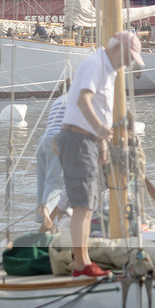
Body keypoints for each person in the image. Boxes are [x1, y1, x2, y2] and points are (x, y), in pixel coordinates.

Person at [55, 30, 145, 278]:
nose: (129, 62)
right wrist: (97, 130)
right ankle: (81, 265)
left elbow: (98, 108)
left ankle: (83, 263)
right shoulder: (96, 64)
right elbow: (84, 100)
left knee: (88, 203)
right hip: (77, 139)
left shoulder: (109, 70)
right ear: (118, 48)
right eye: (129, 56)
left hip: (87, 140)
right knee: (82, 204)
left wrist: (102, 144)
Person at [33, 80, 69, 231]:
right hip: (58, 140)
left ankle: (43, 219)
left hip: (43, 140)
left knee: (44, 182)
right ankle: (47, 212)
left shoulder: (57, 101)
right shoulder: (75, 100)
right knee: (56, 182)